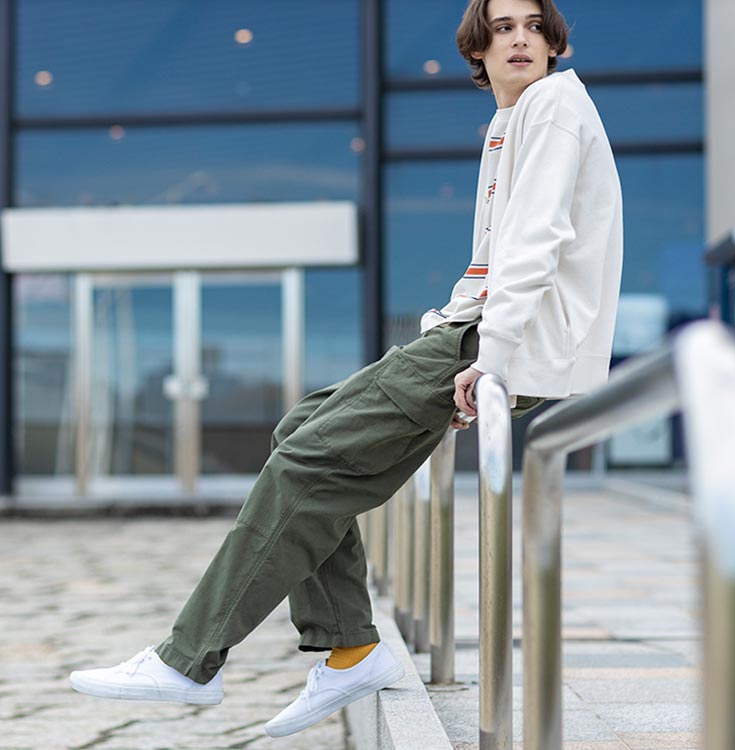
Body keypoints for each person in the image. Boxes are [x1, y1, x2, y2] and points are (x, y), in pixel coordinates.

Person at [69, 0, 623, 738]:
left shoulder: (554, 105)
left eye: (532, 26)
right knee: (301, 429)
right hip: (473, 330)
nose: (519, 38)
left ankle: (188, 660)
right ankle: (351, 649)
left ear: (553, 44)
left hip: (504, 342)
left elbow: (538, 242)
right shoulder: (508, 124)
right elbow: (493, 258)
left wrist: (489, 357)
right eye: (501, 28)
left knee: (306, 463)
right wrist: (447, 327)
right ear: (477, 50)